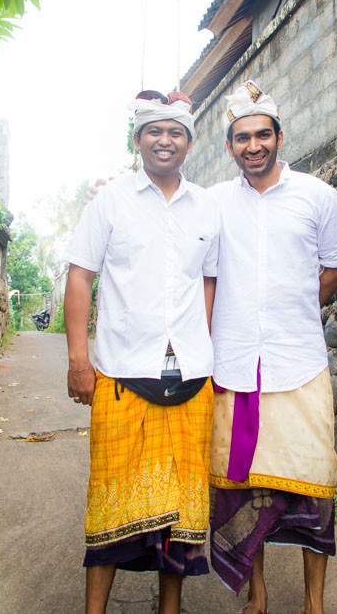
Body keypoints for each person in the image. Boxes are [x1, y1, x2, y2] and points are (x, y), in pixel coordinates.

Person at [63, 90, 219, 614]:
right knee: (109, 501)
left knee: (180, 513)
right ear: (137, 140)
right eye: (155, 131)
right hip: (122, 375)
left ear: (190, 143)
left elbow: (209, 284)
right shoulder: (109, 202)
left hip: (193, 378)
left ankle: (168, 608)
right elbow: (81, 277)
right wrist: (79, 361)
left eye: (176, 132)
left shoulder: (206, 207)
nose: (165, 141)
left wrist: (207, 347)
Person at [208, 80, 337, 614]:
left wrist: (299, 307)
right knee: (247, 490)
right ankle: (258, 591)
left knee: (316, 481)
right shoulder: (216, 203)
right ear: (229, 146)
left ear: (279, 136)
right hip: (236, 365)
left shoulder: (319, 196)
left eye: (262, 135)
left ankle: (314, 602)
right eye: (241, 138)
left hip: (300, 363)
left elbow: (336, 263)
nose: (253, 146)